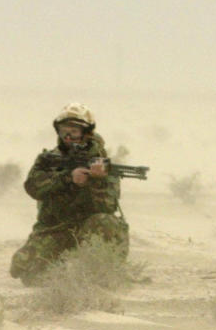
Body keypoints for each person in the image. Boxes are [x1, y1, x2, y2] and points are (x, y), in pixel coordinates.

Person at [9, 103, 130, 284]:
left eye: (74, 131)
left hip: (89, 228)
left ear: (86, 133)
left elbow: (107, 206)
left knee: (106, 222)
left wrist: (96, 181)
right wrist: (67, 178)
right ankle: (63, 267)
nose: (67, 136)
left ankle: (101, 274)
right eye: (63, 130)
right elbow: (33, 187)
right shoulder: (48, 159)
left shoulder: (102, 164)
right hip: (54, 228)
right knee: (26, 271)